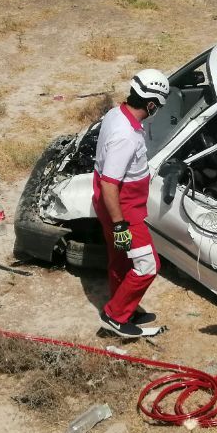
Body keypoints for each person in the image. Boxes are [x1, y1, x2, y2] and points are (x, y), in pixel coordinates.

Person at [92, 69, 170, 338]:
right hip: (123, 209)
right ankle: (115, 316)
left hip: (112, 205)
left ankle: (126, 304)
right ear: (151, 104)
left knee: (122, 261)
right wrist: (120, 225)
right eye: (158, 105)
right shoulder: (126, 135)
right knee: (149, 265)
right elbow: (110, 183)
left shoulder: (116, 114)